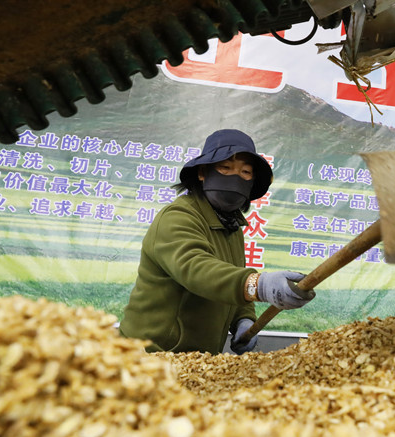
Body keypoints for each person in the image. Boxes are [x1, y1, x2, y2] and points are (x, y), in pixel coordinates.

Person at [119, 129, 315, 355]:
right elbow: (197, 270)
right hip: (147, 355)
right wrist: (258, 285)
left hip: (195, 361)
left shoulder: (231, 226)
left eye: (245, 172)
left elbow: (231, 277)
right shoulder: (178, 217)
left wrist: (243, 319)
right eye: (225, 168)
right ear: (203, 172)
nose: (235, 177)